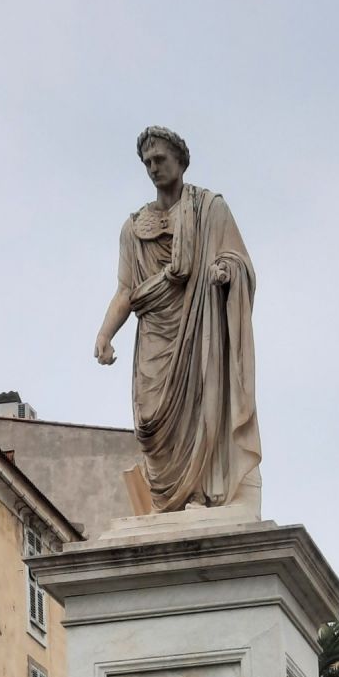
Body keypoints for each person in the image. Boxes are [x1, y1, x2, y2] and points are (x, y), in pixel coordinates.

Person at [95, 126, 262, 513]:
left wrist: (225, 271)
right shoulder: (133, 228)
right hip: (155, 332)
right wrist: (105, 333)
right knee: (151, 423)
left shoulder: (210, 208)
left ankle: (200, 492)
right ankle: (167, 502)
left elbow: (240, 263)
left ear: (181, 161)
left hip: (199, 329)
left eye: (160, 160)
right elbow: (126, 290)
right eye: (147, 162)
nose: (154, 168)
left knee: (202, 406)